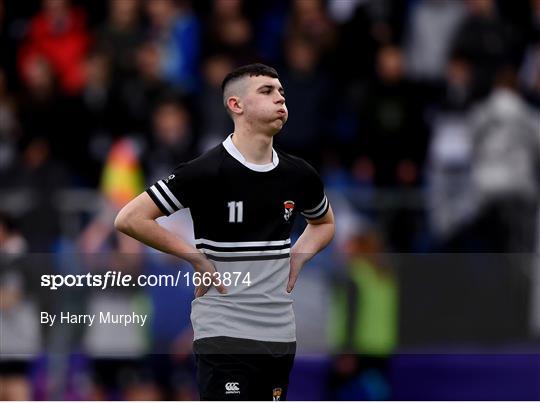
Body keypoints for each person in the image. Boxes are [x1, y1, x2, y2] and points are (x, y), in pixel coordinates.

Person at [114, 63, 335, 400]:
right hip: (224, 331)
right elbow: (130, 217)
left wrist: (298, 256)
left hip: (278, 333)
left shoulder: (299, 174)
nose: (280, 99)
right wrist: (195, 258)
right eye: (267, 91)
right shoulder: (206, 171)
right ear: (236, 105)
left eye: (281, 92)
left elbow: (324, 223)